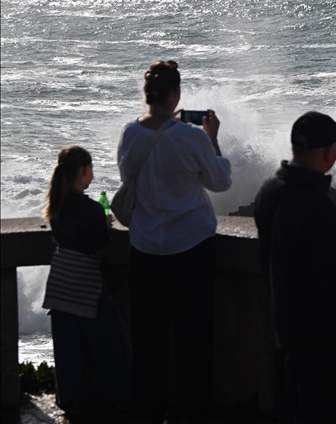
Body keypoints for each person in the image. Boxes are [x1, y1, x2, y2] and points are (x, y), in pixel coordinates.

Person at [117, 60, 231, 424]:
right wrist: (212, 138)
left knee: (148, 340)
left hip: (145, 249)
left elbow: (128, 176)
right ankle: (189, 415)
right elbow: (220, 182)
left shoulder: (129, 134)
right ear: (176, 95)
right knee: (192, 339)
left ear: (148, 95)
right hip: (190, 250)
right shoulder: (192, 136)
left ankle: (149, 412)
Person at [252, 111, 336, 424]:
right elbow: (334, 284)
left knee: (292, 406)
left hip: (286, 324)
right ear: (329, 153)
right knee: (316, 411)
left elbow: (266, 258)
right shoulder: (317, 207)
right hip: (318, 336)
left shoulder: (269, 190)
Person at [42, 145, 133, 417]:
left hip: (59, 280)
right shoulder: (91, 209)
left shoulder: (55, 204)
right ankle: (120, 395)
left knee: (67, 344)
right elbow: (100, 250)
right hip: (85, 281)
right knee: (109, 338)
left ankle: (73, 397)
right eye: (91, 169)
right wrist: (105, 225)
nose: (92, 175)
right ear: (84, 170)